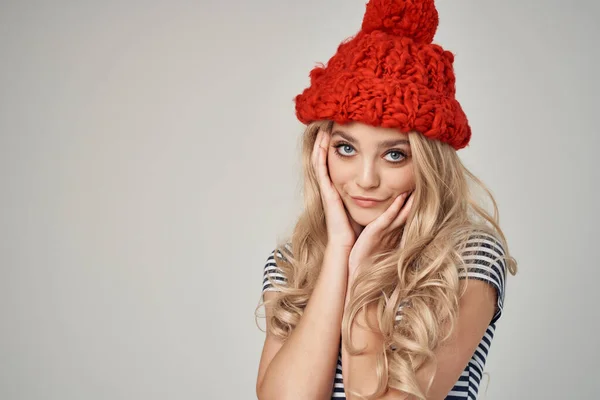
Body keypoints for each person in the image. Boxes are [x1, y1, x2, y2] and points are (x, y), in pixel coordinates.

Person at [254, 0, 518, 399]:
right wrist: (340, 253)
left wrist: (365, 273)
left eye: (394, 155)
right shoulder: (294, 262)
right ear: (320, 149)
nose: (365, 179)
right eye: (346, 148)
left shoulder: (466, 259)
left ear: (429, 163)